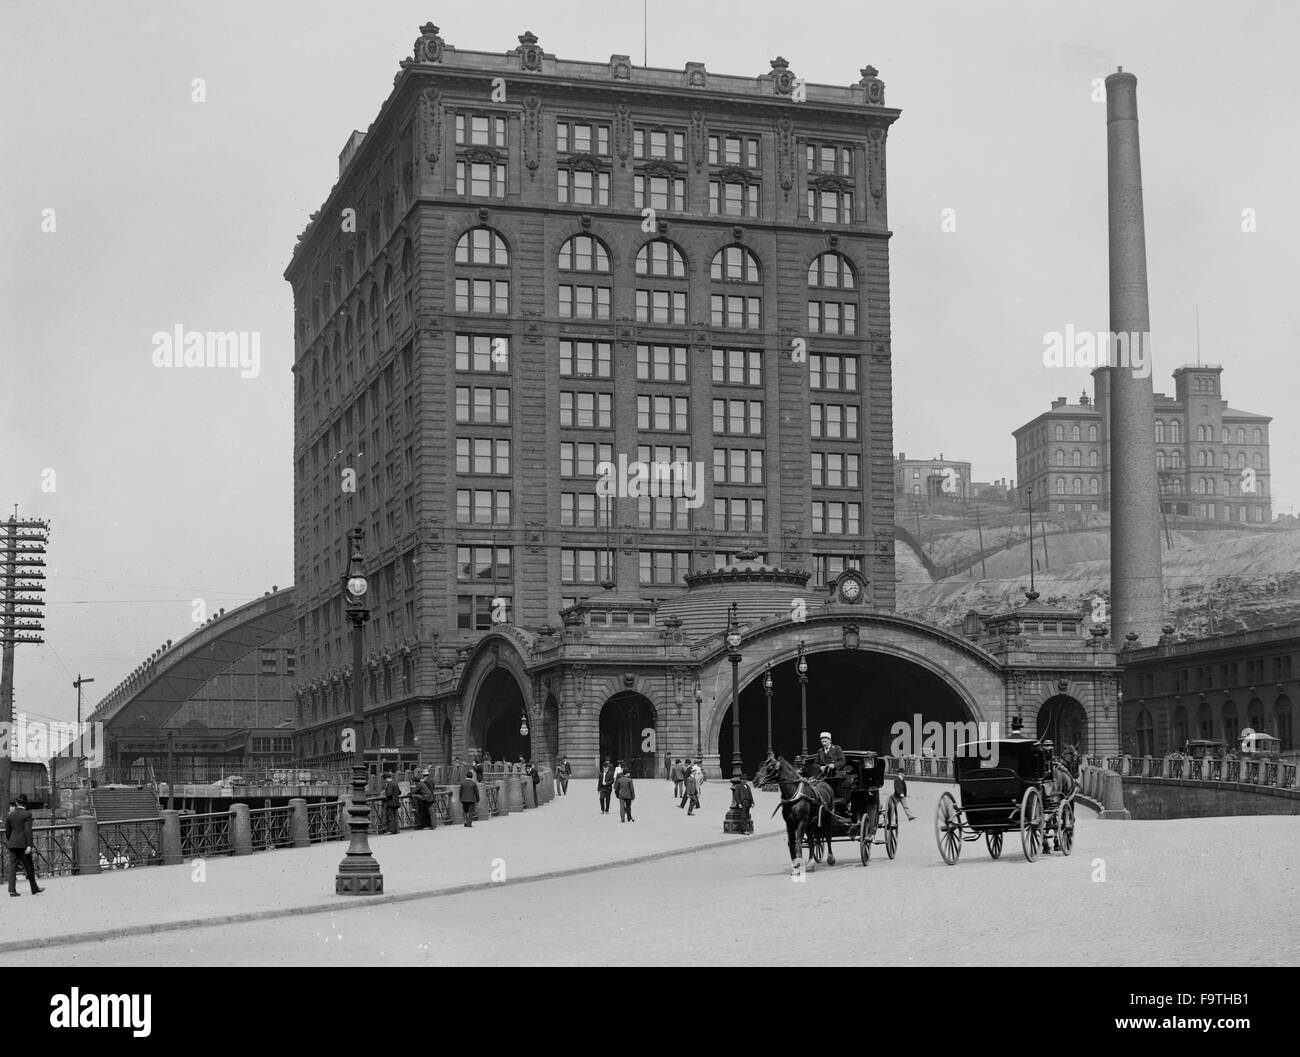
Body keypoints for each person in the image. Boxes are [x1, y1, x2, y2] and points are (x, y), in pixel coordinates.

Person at [5, 795, 43, 897]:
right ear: (25, 804)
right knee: (29, 866)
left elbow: (7, 832)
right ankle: (34, 888)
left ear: (17, 803)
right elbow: (28, 831)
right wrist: (29, 845)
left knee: (12, 867)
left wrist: (11, 841)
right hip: (23, 844)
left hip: (12, 844)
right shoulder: (27, 814)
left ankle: (12, 890)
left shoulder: (10, 815)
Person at [814, 731, 854, 806]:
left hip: (837, 773)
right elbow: (815, 764)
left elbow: (842, 760)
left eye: (825, 741)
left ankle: (843, 802)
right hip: (824, 775)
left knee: (841, 782)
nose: (824, 743)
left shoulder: (837, 748)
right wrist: (820, 767)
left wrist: (834, 765)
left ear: (830, 740)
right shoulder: (820, 751)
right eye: (822, 741)